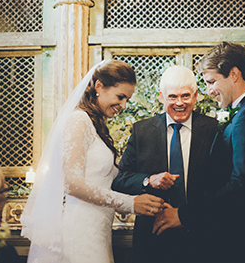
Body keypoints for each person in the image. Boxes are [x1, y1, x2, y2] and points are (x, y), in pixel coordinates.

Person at [21, 60, 164, 263]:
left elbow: (102, 184)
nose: (123, 106)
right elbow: (72, 184)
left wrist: (144, 188)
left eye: (127, 100)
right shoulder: (79, 120)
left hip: (97, 232)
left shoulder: (96, 125)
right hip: (79, 232)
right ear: (99, 87)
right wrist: (130, 203)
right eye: (120, 97)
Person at [154, 42, 245, 263]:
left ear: (234, 74)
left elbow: (241, 187)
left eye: (212, 81)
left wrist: (183, 215)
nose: (209, 91)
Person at [112, 65, 218, 263]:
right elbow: (119, 179)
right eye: (172, 97)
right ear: (161, 97)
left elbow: (219, 185)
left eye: (185, 96)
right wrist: (148, 181)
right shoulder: (141, 131)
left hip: (200, 238)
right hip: (152, 240)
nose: (179, 103)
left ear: (195, 96)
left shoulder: (214, 129)